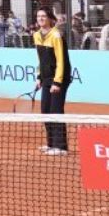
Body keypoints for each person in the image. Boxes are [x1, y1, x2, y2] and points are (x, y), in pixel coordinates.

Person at [31, 9, 72, 155]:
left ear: (50, 18)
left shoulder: (56, 35)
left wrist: (57, 82)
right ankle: (51, 144)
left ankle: (61, 147)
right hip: (47, 78)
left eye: (44, 16)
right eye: (38, 16)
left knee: (56, 111)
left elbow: (61, 60)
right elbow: (41, 60)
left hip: (59, 78)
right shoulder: (36, 35)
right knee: (45, 111)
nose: (41, 18)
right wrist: (39, 77)